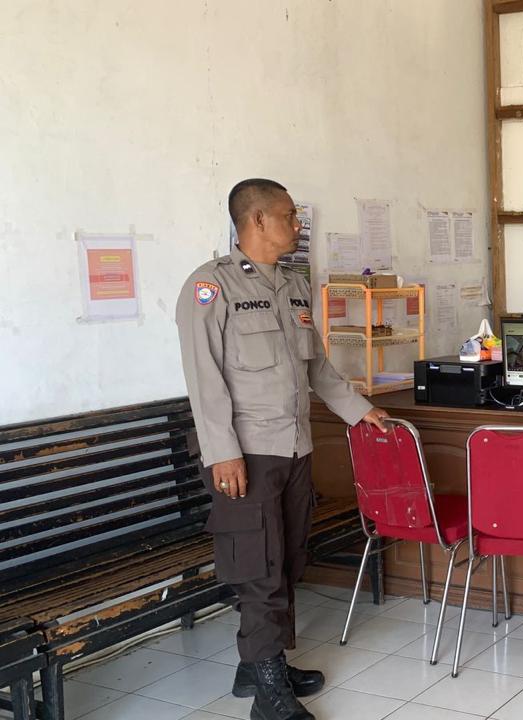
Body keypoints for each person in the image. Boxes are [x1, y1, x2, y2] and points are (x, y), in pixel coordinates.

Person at [176, 178, 390, 720]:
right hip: (246, 455)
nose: (298, 225)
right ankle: (270, 698)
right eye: (290, 216)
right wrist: (222, 452)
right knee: (260, 568)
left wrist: (360, 410)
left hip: (294, 448)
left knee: (289, 559)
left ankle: (259, 665)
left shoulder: (293, 285)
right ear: (257, 221)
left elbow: (317, 366)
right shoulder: (210, 286)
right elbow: (203, 378)